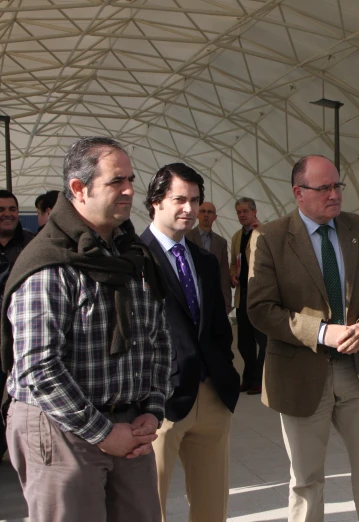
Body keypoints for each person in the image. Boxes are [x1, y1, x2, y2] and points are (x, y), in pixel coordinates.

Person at [0, 136, 172, 522]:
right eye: (116, 181)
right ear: (79, 188)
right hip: (61, 427)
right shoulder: (50, 261)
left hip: (129, 428)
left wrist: (151, 410)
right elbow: (37, 369)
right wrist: (104, 432)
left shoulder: (132, 258)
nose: (130, 190)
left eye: (130, 179)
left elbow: (159, 340)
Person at [247, 154, 359, 522]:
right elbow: (261, 308)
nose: (334, 194)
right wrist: (324, 332)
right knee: (307, 480)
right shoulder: (270, 238)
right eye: (324, 187)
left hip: (358, 374)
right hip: (300, 376)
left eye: (337, 186)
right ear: (299, 193)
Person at [141, 163, 240, 522]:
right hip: (159, 402)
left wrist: (223, 370)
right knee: (151, 507)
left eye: (195, 201)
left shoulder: (203, 259)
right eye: (179, 199)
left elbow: (217, 324)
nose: (189, 209)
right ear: (155, 202)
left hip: (211, 395)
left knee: (213, 508)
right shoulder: (134, 258)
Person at [0, 189, 35, 461]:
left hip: (22, 336)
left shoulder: (32, 245)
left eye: (12, 209)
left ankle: (18, 447)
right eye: (1, 210)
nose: (8, 214)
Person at [230, 197, 265, 394]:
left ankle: (259, 380)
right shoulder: (236, 237)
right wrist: (232, 275)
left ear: (254, 212)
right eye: (239, 212)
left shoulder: (264, 232)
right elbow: (233, 263)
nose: (242, 215)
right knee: (244, 342)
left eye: (245, 211)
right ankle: (248, 377)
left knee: (263, 342)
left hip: (259, 296)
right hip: (242, 295)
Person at [185, 201, 232, 314]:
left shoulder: (221, 242)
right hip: (192, 294)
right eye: (203, 211)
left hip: (214, 296)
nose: (206, 215)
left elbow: (224, 273)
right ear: (197, 214)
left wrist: (227, 302)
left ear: (215, 217)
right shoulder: (186, 237)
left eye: (210, 212)